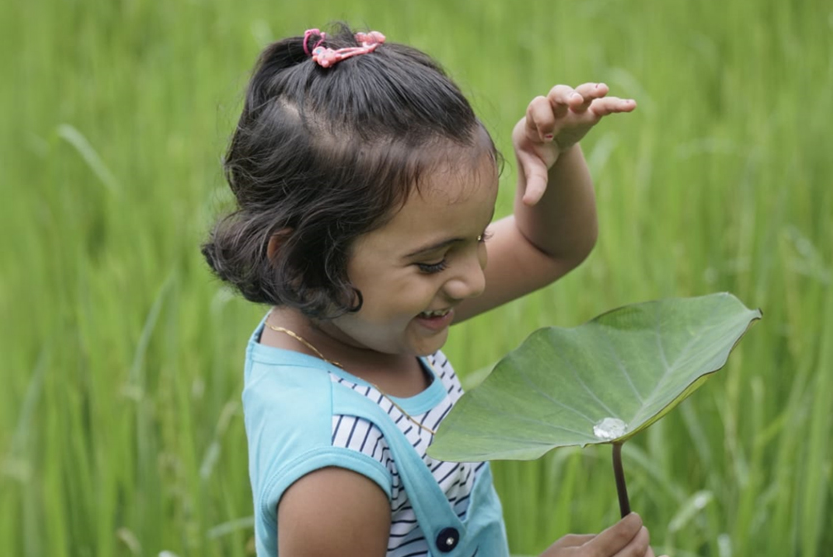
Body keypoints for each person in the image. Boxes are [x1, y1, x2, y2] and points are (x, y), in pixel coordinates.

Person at [203, 24, 665, 557]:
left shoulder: (363, 319)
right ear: (302, 264)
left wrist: (554, 160)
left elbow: (550, 248)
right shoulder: (333, 463)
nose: (473, 280)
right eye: (432, 261)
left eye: (478, 239)